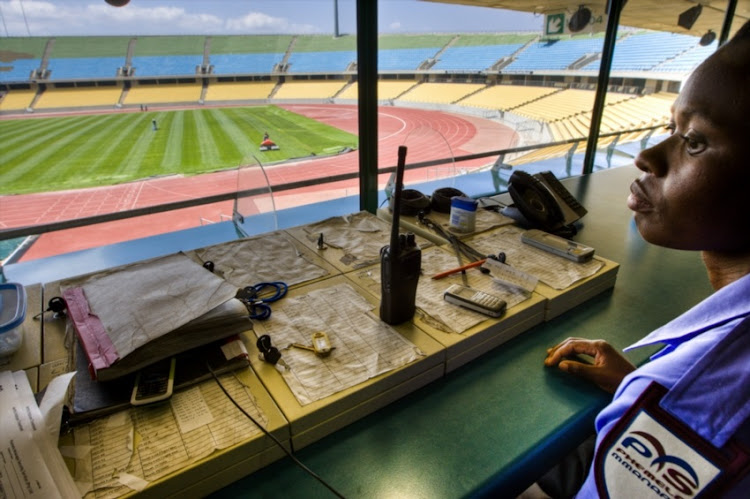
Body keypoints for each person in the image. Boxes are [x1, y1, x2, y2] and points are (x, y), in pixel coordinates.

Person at [538, 20, 750, 498]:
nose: (647, 157)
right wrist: (634, 384)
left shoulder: (692, 401)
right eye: (670, 128)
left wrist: (662, 396)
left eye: (693, 140)